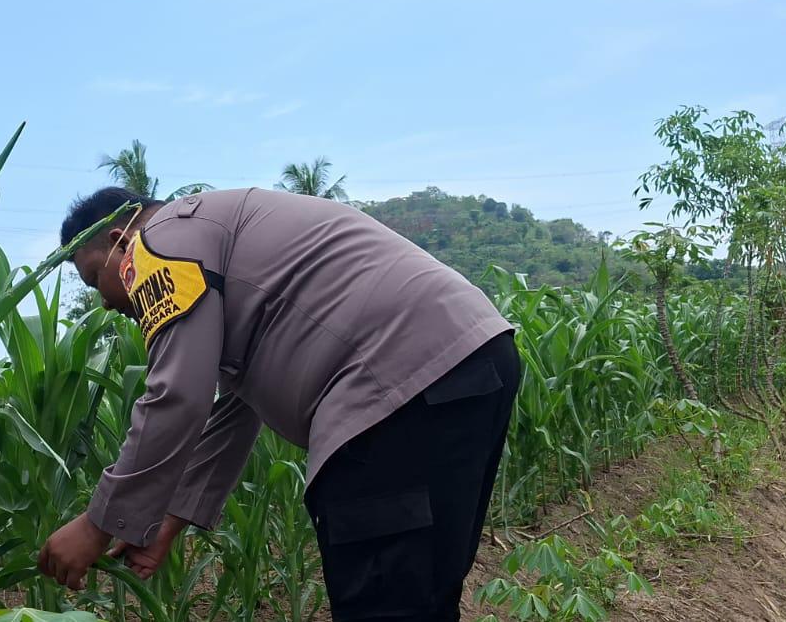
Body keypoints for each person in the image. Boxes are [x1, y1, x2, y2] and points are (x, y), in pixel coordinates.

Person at [37, 186, 521, 621]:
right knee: (420, 594)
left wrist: (98, 524)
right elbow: (236, 407)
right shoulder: (213, 238)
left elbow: (177, 394)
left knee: (384, 603)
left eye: (94, 278)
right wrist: (170, 518)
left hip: (393, 385)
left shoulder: (158, 240)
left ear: (120, 240)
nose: (104, 303)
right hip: (469, 362)